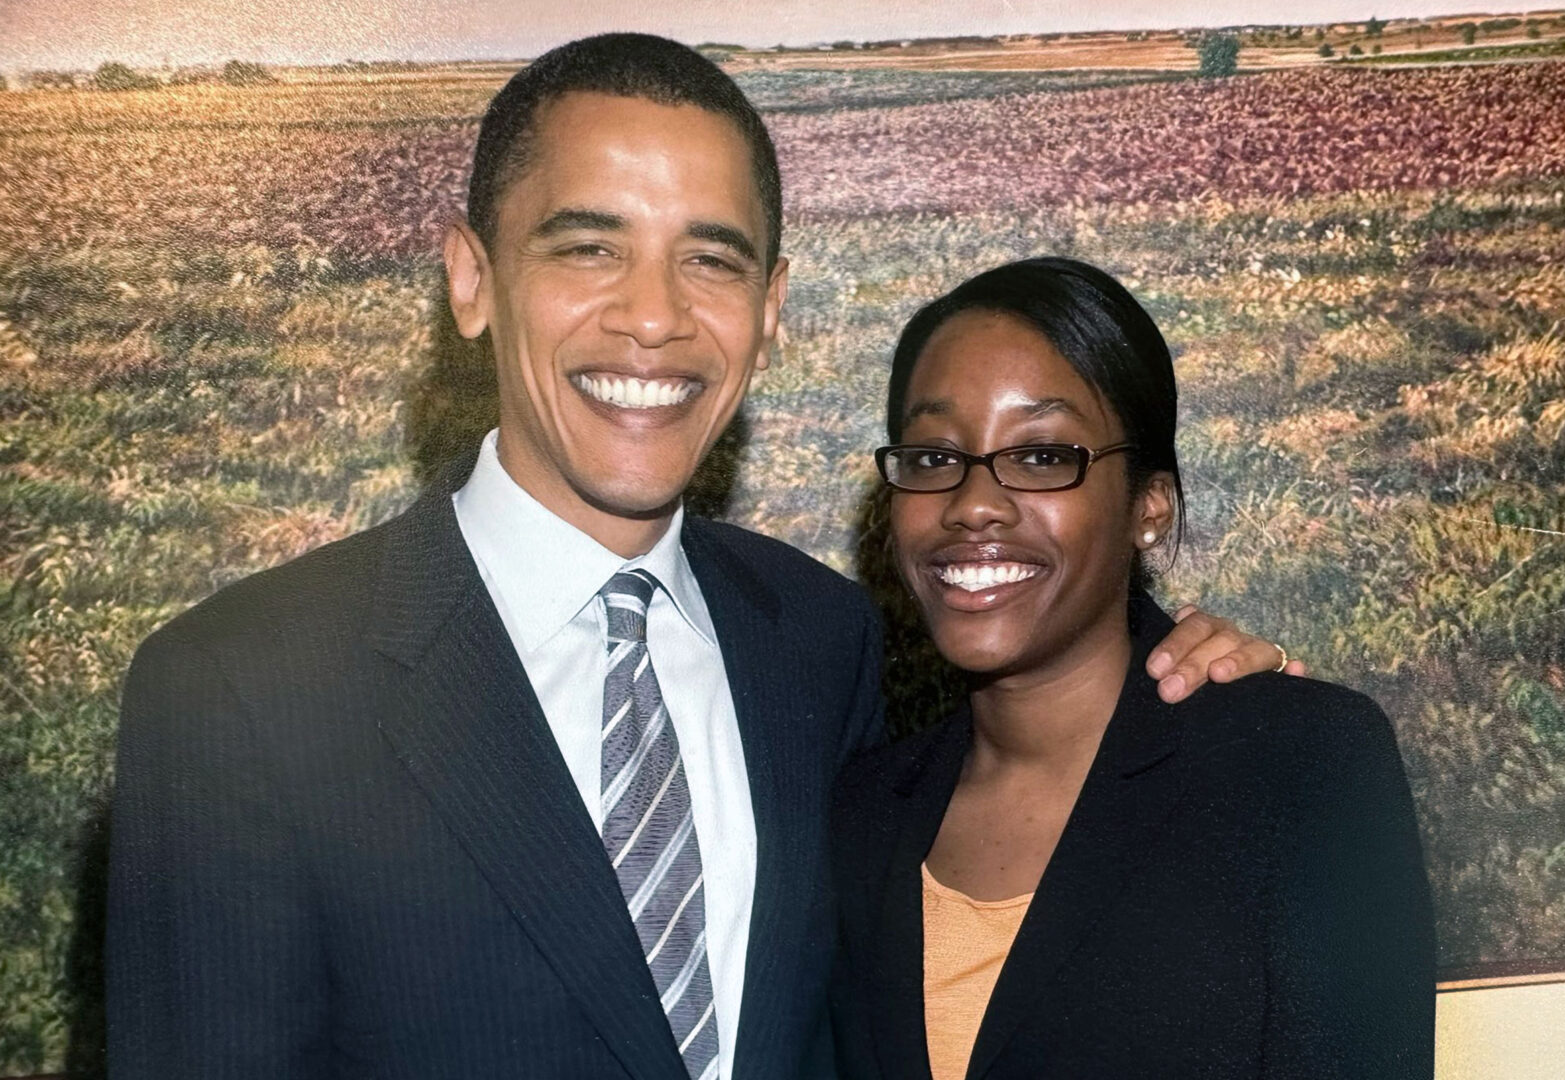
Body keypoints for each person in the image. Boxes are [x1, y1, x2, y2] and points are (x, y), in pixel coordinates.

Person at [106, 37, 1291, 1080]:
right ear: (472, 279)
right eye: (588, 249)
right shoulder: (238, 692)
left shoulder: (820, 639)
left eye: (711, 261)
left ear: (769, 309)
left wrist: (1176, 680)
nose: (656, 317)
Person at [830, 258, 1436, 1080]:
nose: (972, 504)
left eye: (1042, 456)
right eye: (935, 456)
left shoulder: (1301, 766)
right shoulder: (859, 816)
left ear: (1148, 506)